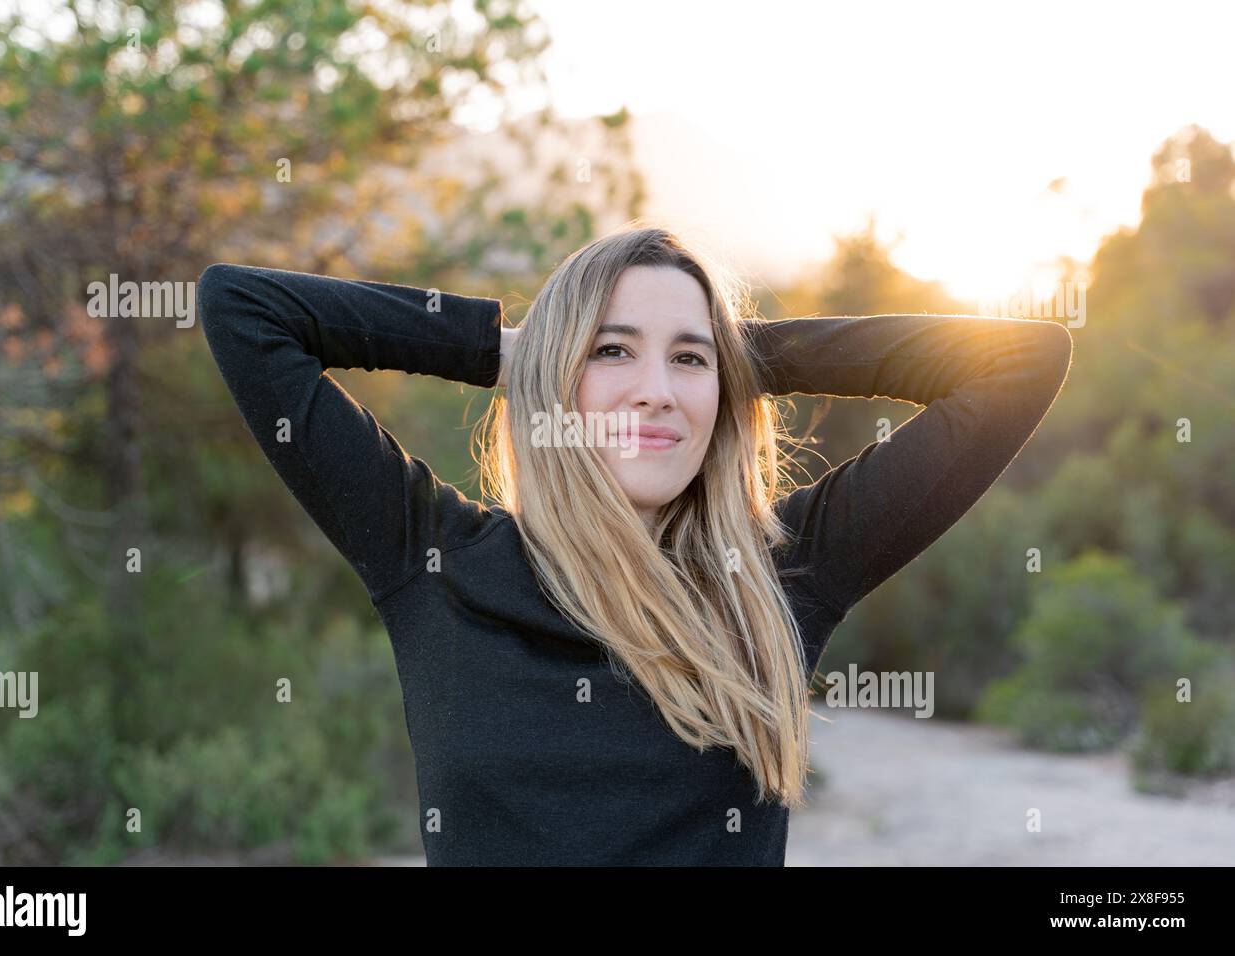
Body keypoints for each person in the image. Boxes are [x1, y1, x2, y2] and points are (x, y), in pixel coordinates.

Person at [197, 221, 1073, 866]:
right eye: (612, 350)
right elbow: (243, 308)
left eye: (688, 361)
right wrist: (517, 349)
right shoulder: (431, 561)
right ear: (553, 379)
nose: (655, 392)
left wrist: (741, 356)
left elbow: (1022, 363)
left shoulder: (783, 572)